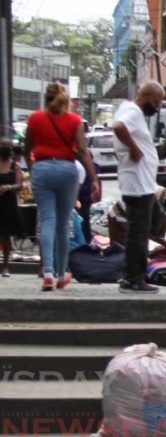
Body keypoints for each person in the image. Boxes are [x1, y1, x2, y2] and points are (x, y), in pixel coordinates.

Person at [24, 83, 101, 291]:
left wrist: (34, 170)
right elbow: (82, 151)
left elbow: (27, 148)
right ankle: (61, 274)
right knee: (63, 222)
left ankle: (47, 272)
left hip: (42, 168)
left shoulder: (35, 118)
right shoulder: (75, 120)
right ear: (66, 101)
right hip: (67, 170)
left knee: (48, 219)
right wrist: (93, 178)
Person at [112, 81, 166, 294]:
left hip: (141, 182)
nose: (157, 107)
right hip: (137, 182)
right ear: (148, 97)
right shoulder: (133, 112)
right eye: (157, 102)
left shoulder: (129, 109)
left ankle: (133, 275)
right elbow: (118, 127)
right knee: (138, 232)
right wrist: (134, 149)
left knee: (146, 226)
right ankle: (134, 278)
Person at [0, 139, 25, 277]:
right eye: (2, 145)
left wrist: (8, 187)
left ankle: (6, 266)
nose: (5, 148)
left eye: (7, 146)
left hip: (8, 202)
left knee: (6, 234)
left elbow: (20, 184)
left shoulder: (14, 165)